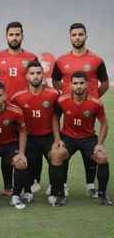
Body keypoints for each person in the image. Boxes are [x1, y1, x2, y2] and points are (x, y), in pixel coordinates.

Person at [51, 23, 109, 198]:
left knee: (87, 137)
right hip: (70, 105)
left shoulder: (96, 60)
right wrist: (68, 96)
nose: (77, 37)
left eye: (80, 34)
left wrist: (93, 99)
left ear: (86, 36)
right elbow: (55, 81)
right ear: (70, 37)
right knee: (67, 141)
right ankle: (64, 185)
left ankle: (91, 185)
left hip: (88, 107)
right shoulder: (61, 60)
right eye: (74, 35)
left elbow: (104, 83)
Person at [12, 61, 68, 206]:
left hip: (48, 136)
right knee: (25, 164)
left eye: (38, 73)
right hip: (28, 138)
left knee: (57, 156)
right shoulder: (17, 97)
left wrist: (58, 138)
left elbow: (62, 114)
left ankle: (56, 193)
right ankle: (28, 192)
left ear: (43, 75)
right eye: (32, 73)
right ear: (27, 76)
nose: (35, 76)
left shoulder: (54, 94)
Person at [52, 71, 112, 206]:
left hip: (88, 138)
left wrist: (100, 144)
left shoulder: (96, 103)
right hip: (68, 138)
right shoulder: (62, 100)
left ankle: (102, 195)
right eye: (75, 83)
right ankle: (60, 194)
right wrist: (57, 139)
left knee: (102, 158)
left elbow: (104, 123)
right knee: (57, 156)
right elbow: (55, 119)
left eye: (81, 83)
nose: (78, 86)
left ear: (87, 84)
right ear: (70, 85)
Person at [0, 21, 38, 195]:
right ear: (6, 36)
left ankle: (31, 183)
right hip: (2, 109)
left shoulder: (31, 57)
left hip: (24, 109)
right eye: (11, 34)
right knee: (6, 146)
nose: (14, 37)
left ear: (22, 36)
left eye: (17, 34)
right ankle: (7, 187)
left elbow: (36, 80)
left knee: (28, 147)